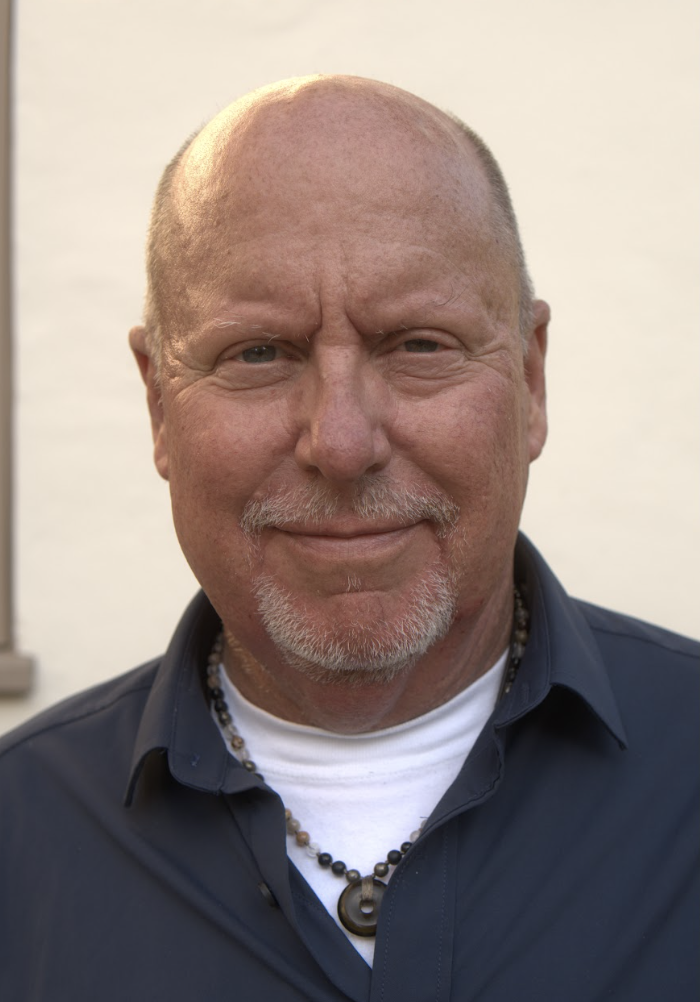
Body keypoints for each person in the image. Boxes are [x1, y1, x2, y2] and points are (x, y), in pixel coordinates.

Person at [0, 75, 697, 1001]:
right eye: (258, 353)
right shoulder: (20, 837)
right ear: (159, 404)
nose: (340, 443)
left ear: (531, 382)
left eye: (418, 344)